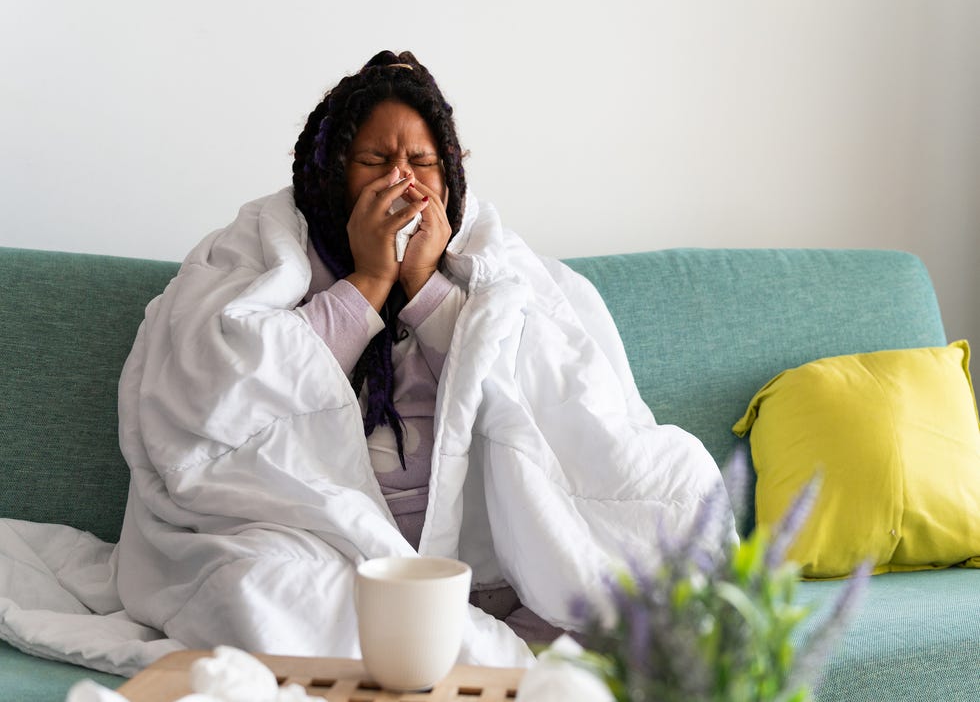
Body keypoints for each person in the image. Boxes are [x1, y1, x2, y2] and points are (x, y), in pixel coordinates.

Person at [115, 50, 729, 667]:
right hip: (326, 541)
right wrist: (370, 281)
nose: (402, 182)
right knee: (259, 595)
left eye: (422, 163)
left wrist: (429, 290)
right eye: (376, 162)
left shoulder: (493, 256)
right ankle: (479, 653)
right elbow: (227, 391)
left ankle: (485, 637)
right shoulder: (266, 243)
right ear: (335, 172)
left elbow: (546, 387)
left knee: (655, 560)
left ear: (450, 175)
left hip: (485, 543)